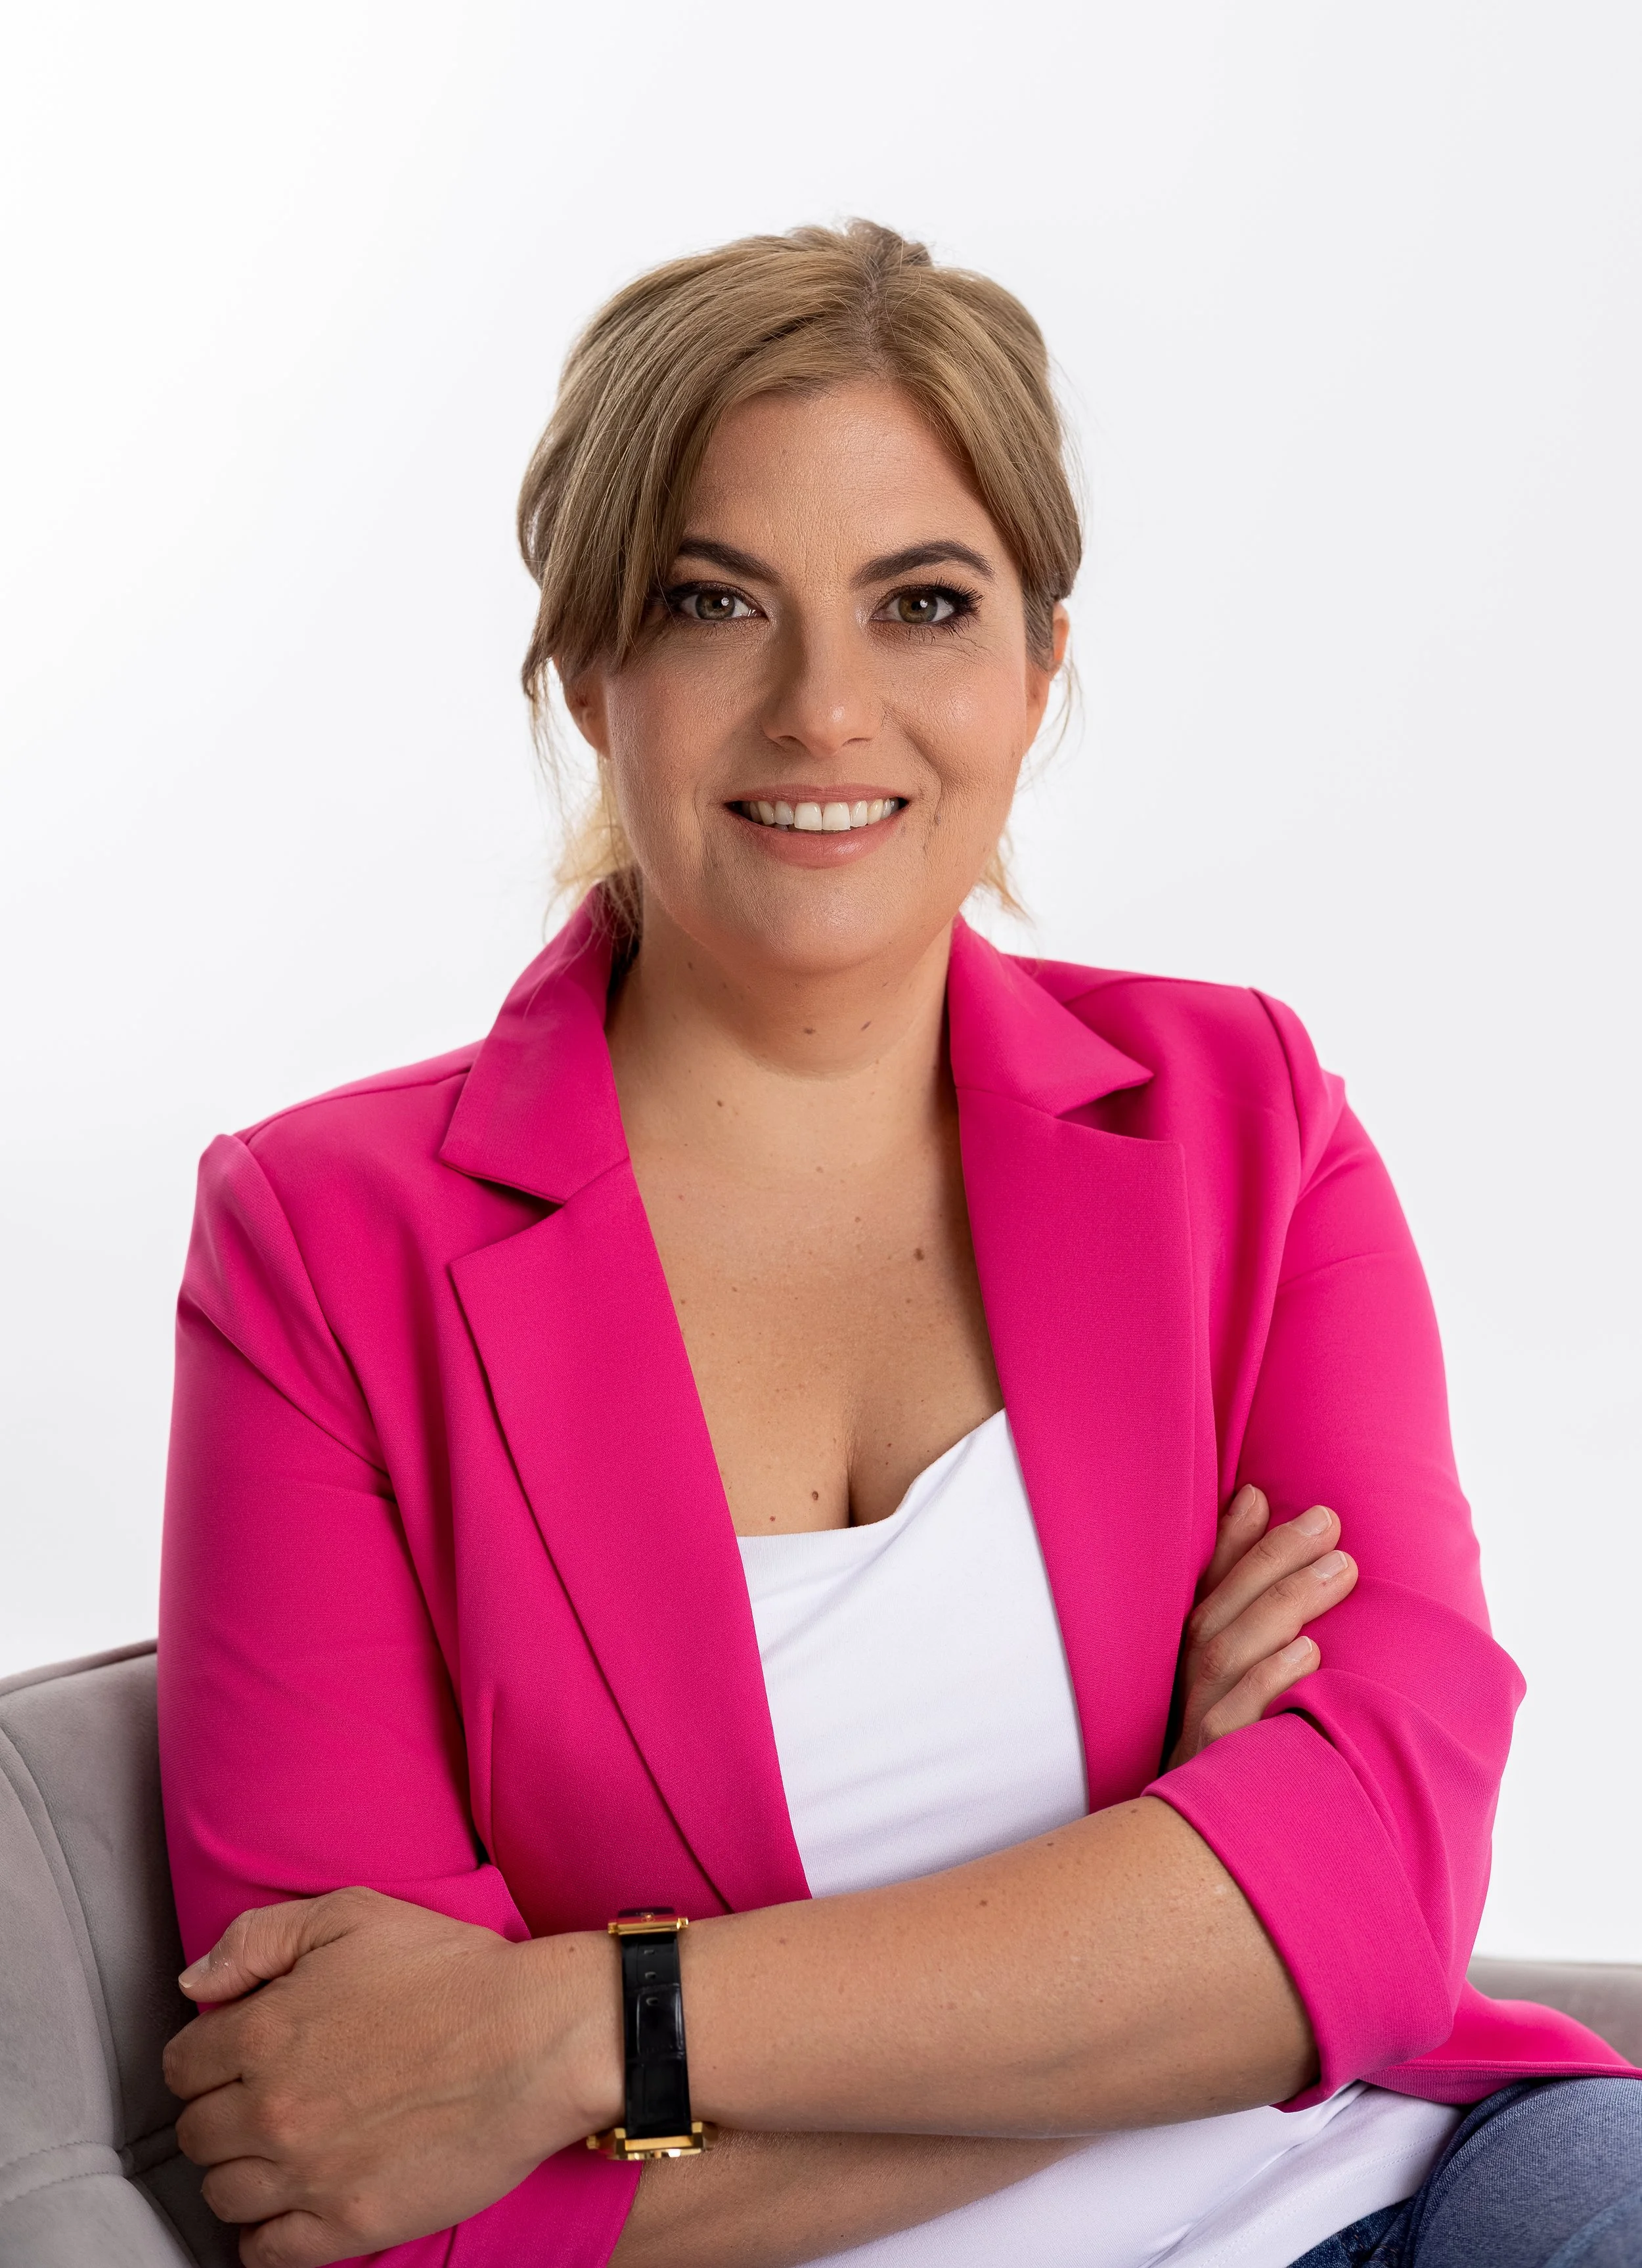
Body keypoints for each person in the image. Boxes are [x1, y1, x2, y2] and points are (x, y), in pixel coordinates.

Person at [157, 222, 1640, 2268]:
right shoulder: (322, 1246)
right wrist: (1167, 1932)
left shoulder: (1243, 1115)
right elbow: (369, 2159)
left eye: (922, 604)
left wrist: (593, 2025)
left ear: (1038, 667)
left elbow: (1376, 1902)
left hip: (1421, 2204)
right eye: (709, 602)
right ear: (587, 668)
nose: (823, 705)